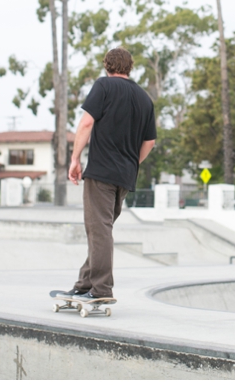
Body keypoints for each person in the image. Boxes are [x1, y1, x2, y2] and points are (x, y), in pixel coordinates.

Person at [56, 47, 157, 302]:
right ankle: (84, 284)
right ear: (130, 67)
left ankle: (101, 289)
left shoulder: (104, 86)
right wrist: (133, 163)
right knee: (101, 229)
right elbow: (150, 142)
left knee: (98, 229)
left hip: (101, 172)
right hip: (125, 177)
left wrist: (75, 158)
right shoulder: (145, 98)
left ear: (106, 66)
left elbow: (87, 123)